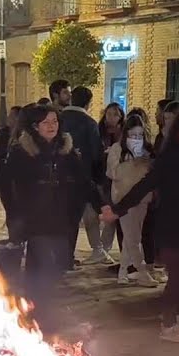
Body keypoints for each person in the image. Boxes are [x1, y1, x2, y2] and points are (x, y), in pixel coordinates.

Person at [0, 104, 106, 327]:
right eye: (46, 122)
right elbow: (0, 179)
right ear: (35, 126)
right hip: (34, 219)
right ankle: (39, 315)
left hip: (61, 219)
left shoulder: (66, 151)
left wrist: (102, 206)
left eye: (55, 121)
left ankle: (36, 310)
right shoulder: (23, 152)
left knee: (56, 267)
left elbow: (84, 182)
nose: (52, 126)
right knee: (42, 264)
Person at [103, 109, 179, 343]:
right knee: (177, 277)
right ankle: (168, 325)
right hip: (172, 227)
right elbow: (144, 186)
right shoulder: (170, 160)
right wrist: (117, 209)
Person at [60, 86, 110, 264]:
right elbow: (96, 154)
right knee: (73, 219)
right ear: (89, 103)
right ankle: (67, 257)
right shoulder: (89, 123)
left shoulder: (59, 119)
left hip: (57, 178)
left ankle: (59, 257)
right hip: (82, 180)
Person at [105, 113, 156, 287]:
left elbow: (150, 176)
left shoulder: (148, 151)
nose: (136, 139)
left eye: (140, 135)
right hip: (123, 198)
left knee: (132, 236)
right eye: (133, 135)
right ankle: (142, 272)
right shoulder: (117, 149)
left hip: (142, 199)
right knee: (132, 237)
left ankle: (123, 273)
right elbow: (113, 173)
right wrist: (132, 164)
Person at [0, 106, 23, 238]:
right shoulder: (4, 133)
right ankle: (13, 237)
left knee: (17, 211)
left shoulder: (24, 136)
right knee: (10, 208)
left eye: (12, 116)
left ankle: (18, 238)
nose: (9, 118)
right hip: (3, 178)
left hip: (17, 181)